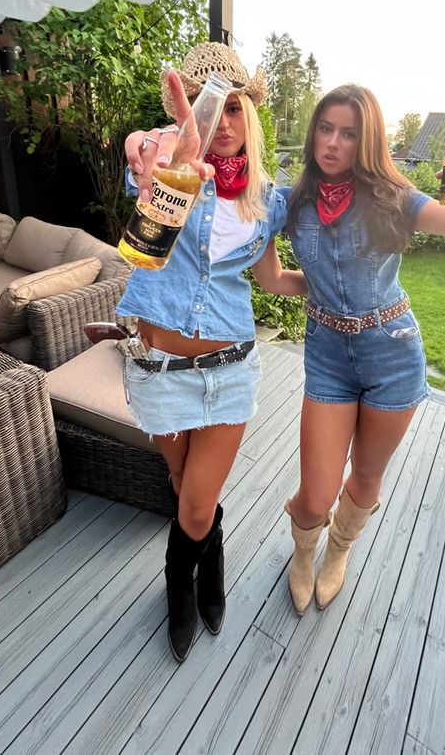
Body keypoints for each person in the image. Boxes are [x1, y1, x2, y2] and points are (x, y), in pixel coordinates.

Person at [280, 84, 445, 613]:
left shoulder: (394, 198)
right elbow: (305, 276)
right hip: (328, 353)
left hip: (391, 351)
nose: (333, 143)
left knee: (366, 476)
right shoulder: (296, 203)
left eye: (349, 133)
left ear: (368, 140)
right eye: (326, 128)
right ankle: (303, 553)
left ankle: (337, 553)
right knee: (315, 495)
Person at [119, 42, 306, 662]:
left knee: (193, 499)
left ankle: (180, 588)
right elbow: (146, 194)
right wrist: (158, 153)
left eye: (234, 110)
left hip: (229, 370)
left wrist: (342, 289)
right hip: (157, 368)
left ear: (248, 117)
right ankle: (212, 549)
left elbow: (274, 279)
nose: (222, 123)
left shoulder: (266, 199)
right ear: (190, 110)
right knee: (183, 486)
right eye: (210, 107)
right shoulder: (171, 167)